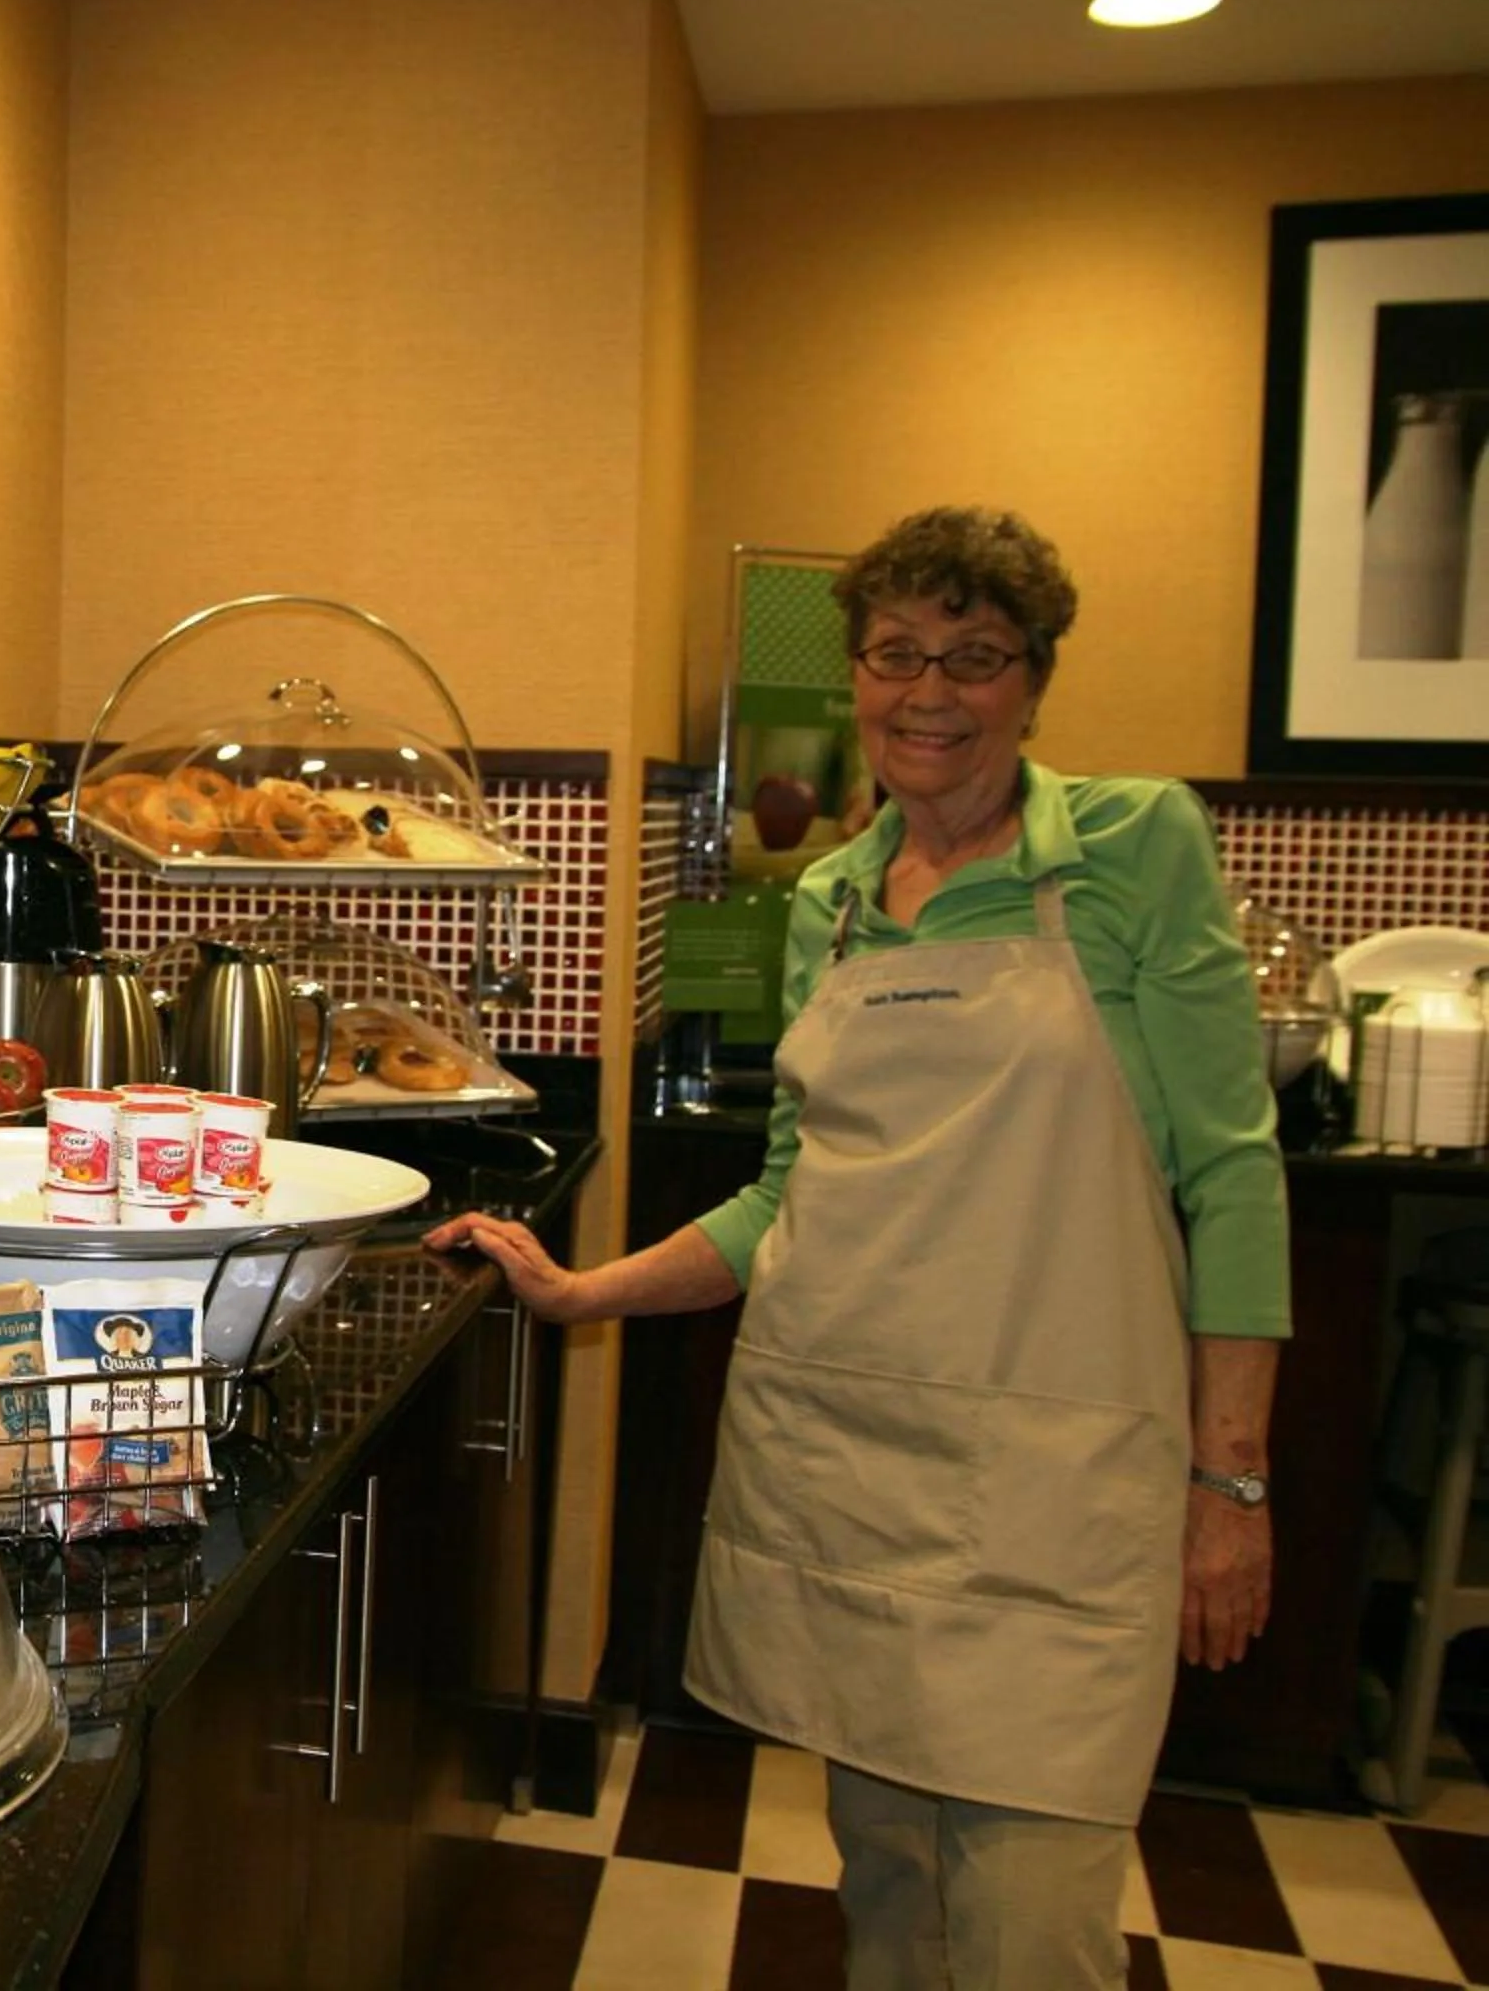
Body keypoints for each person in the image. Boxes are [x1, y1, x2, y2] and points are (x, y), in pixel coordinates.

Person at [431, 506, 1286, 1990]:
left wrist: (1232, 1484)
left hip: (1059, 1488)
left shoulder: (1135, 849)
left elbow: (1233, 1177)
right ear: (857, 678)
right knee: (888, 1895)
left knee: (1033, 1929)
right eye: (897, 655)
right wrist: (581, 1294)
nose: (930, 691)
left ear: (1033, 680)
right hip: (853, 1464)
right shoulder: (829, 900)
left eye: (974, 655)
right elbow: (789, 1198)